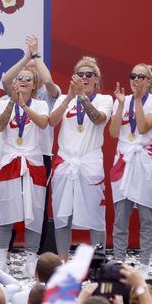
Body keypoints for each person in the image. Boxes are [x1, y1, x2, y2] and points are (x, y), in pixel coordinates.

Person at [48, 57, 113, 257]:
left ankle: (98, 260)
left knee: (95, 214)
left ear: (96, 78)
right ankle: (62, 260)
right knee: (62, 214)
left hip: (90, 162)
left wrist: (83, 97)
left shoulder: (105, 100)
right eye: (80, 74)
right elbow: (51, 122)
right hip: (65, 162)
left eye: (89, 74)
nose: (84, 78)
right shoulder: (64, 99)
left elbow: (98, 118)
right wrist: (69, 98)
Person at [108, 63, 152, 267]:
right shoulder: (121, 101)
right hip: (123, 158)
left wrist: (139, 100)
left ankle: (144, 263)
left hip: (143, 160)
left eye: (141, 77)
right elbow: (113, 133)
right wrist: (122, 104)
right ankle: (118, 261)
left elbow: (142, 127)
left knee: (146, 215)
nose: (136, 80)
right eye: (133, 76)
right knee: (121, 215)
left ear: (149, 81)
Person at [0, 66, 49, 271]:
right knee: (5, 210)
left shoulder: (41, 105)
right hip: (9, 161)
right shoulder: (3, 102)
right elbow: (0, 125)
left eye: (28, 79)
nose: (23, 81)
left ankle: (31, 260)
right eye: (20, 78)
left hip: (33, 163)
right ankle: (1, 259)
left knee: (34, 212)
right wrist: (13, 103)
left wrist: (24, 106)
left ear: (34, 85)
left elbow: (43, 123)